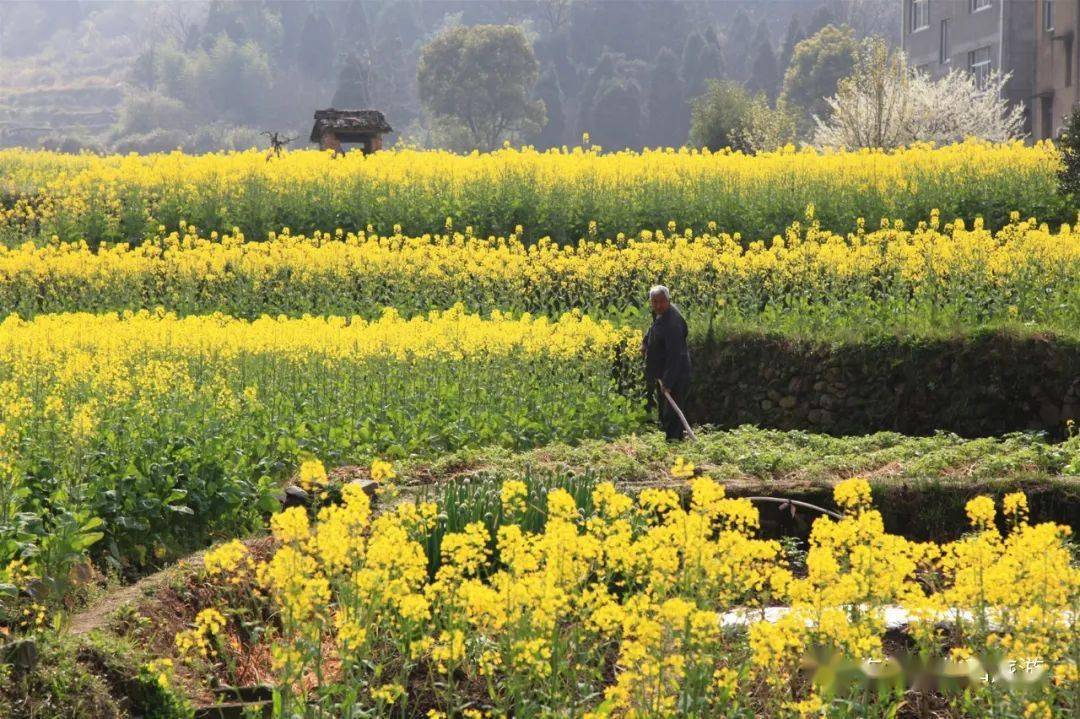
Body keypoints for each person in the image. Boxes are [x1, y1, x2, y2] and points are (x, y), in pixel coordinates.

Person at [642, 285, 691, 441]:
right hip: (664, 371)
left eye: (661, 302)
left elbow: (674, 356)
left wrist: (668, 382)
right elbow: (653, 329)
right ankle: (671, 440)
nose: (657, 305)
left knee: (673, 412)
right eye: (654, 302)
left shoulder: (673, 324)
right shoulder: (660, 314)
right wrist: (645, 343)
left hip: (676, 372)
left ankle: (674, 443)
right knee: (666, 411)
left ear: (668, 301)